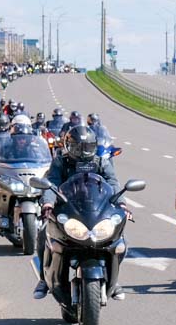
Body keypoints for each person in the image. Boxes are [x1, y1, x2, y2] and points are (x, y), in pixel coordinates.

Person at [33, 124, 122, 301]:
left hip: (96, 210)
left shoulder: (101, 162)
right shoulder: (60, 162)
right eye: (77, 147)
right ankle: (44, 279)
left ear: (94, 146)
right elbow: (51, 183)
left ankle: (114, 278)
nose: (82, 151)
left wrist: (122, 203)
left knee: (118, 239)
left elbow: (113, 183)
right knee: (43, 233)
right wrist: (48, 203)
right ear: (68, 146)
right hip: (68, 208)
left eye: (87, 147)